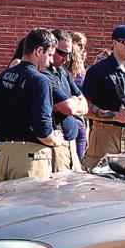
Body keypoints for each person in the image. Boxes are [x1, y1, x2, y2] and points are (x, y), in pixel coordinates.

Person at [0, 28, 64, 182]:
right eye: (50, 55)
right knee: (31, 205)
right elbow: (42, 129)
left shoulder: (2, 77)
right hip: (30, 160)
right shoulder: (41, 81)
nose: (51, 61)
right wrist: (56, 139)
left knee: (4, 206)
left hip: (4, 156)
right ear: (39, 51)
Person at [81, 25, 125, 170]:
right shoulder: (97, 71)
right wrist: (115, 116)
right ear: (115, 43)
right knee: (99, 180)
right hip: (105, 134)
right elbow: (85, 108)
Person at [46, 29, 88, 172]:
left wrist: (72, 101)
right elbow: (68, 109)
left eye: (69, 54)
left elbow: (85, 105)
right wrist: (72, 102)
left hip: (71, 142)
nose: (67, 59)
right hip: (56, 144)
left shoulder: (63, 71)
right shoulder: (44, 74)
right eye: (62, 53)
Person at [69, 31, 90, 163]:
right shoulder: (66, 67)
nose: (82, 49)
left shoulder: (83, 68)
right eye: (79, 45)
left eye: (83, 46)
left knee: (81, 151)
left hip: (81, 115)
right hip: (70, 114)